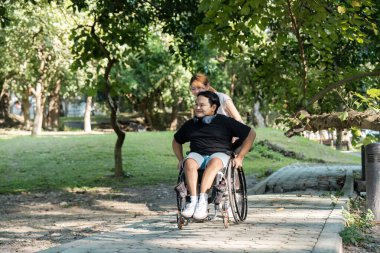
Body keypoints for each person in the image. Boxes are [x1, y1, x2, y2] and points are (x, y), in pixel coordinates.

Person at [172, 91, 256, 220]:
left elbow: (251, 134)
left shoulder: (225, 122)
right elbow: (176, 141)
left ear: (213, 107)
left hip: (220, 154)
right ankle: (193, 201)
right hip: (198, 154)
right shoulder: (190, 124)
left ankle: (202, 201)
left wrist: (240, 157)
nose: (197, 107)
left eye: (202, 105)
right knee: (188, 162)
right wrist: (180, 159)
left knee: (214, 162)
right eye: (196, 104)